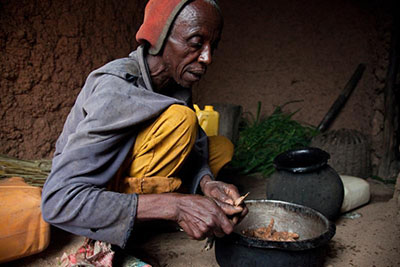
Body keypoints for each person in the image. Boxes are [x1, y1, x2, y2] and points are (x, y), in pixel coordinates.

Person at [41, 0, 247, 251]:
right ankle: (142, 218)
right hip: (98, 188)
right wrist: (176, 207)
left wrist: (206, 183)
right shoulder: (116, 90)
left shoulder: (175, 82)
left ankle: (164, 196)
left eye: (212, 46)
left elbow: (196, 147)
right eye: (195, 44)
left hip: (134, 170)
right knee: (182, 120)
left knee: (220, 147)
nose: (207, 58)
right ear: (158, 39)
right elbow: (58, 201)